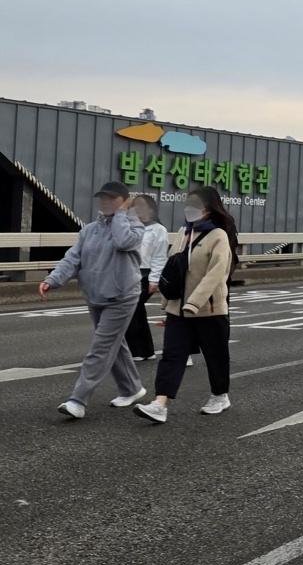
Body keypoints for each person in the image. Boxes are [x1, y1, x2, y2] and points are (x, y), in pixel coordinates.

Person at [41, 181, 146, 419]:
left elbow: (122, 241)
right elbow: (73, 259)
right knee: (113, 344)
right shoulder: (89, 230)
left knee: (100, 348)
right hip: (95, 295)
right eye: (103, 198)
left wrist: (122, 214)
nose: (105, 202)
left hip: (122, 296)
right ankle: (132, 388)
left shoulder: (135, 227)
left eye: (112, 198)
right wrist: (53, 279)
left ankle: (78, 400)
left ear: (124, 202)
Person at [134, 186, 237, 423]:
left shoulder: (218, 235)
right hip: (178, 310)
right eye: (188, 204)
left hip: (209, 310)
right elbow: (173, 268)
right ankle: (160, 404)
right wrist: (167, 302)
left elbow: (216, 274)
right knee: (172, 355)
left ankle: (220, 395)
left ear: (208, 208)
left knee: (215, 356)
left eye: (196, 205)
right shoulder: (183, 233)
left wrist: (194, 303)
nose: (190, 209)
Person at [126, 194, 169, 362]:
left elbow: (159, 256)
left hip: (146, 274)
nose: (137, 209)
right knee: (137, 311)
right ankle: (146, 350)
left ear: (151, 209)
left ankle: (137, 350)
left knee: (133, 308)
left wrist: (154, 280)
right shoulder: (130, 226)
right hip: (129, 273)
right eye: (134, 206)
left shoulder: (158, 230)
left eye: (141, 205)